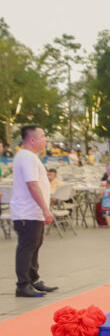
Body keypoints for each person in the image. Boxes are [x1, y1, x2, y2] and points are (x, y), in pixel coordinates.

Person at [11, 125, 56, 297]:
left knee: (35, 246)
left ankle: (33, 280)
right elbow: (32, 185)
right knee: (27, 247)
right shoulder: (26, 157)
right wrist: (45, 209)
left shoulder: (30, 157)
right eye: (42, 136)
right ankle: (22, 285)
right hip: (27, 212)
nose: (45, 139)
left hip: (33, 212)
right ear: (32, 139)